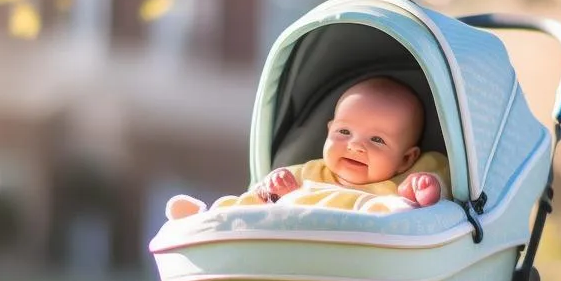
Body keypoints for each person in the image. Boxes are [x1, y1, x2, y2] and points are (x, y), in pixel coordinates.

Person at [166, 76, 449, 219]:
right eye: (344, 132)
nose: (354, 146)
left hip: (366, 236)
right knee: (250, 208)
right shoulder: (309, 173)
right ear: (328, 131)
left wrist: (424, 190)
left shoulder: (401, 183)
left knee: (397, 210)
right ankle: (209, 218)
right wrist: (275, 190)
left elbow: (443, 184)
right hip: (296, 233)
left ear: (405, 159)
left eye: (377, 140)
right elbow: (263, 198)